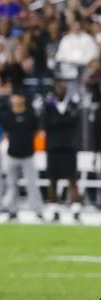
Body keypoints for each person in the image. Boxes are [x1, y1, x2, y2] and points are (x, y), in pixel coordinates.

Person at [42, 82, 82, 222]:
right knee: (53, 180)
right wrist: (64, 119)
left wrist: (58, 120)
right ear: (54, 90)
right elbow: (47, 124)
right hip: (53, 148)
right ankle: (54, 210)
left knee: (72, 179)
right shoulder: (48, 105)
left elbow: (74, 121)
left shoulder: (72, 105)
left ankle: (76, 210)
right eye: (58, 87)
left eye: (63, 87)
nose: (60, 90)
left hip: (69, 148)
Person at [0, 93, 44, 221]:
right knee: (12, 184)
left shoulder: (30, 114)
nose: (17, 99)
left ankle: (38, 211)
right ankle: (12, 212)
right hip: (12, 154)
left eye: (19, 96)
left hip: (28, 155)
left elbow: (36, 131)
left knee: (32, 184)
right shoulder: (8, 115)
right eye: (15, 96)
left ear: (23, 98)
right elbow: (6, 133)